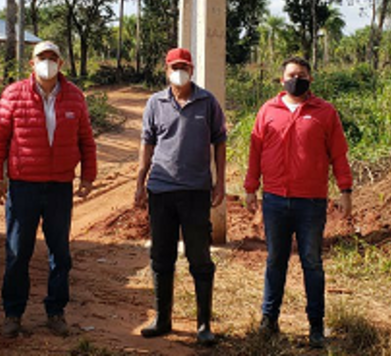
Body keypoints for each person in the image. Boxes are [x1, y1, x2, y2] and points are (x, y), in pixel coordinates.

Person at [0, 40, 97, 339]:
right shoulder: (13, 95)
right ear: (31, 64)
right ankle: (13, 314)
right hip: (23, 187)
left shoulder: (75, 97)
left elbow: (86, 139)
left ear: (60, 63)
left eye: (52, 57)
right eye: (41, 57)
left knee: (60, 254)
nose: (47, 62)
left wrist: (88, 176)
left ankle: (56, 312)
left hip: (60, 186)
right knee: (18, 253)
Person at [244, 56, 353, 349]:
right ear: (282, 80)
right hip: (275, 201)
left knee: (312, 263)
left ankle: (316, 327)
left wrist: (345, 191)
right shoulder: (268, 111)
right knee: (275, 261)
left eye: (302, 75)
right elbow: (255, 151)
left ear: (310, 80)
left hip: (311, 204)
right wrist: (250, 188)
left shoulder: (325, 112)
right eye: (291, 74)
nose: (296, 79)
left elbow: (339, 154)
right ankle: (269, 321)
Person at [134, 47, 227, 346]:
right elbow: (147, 144)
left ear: (193, 69)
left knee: (199, 257)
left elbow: (220, 142)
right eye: (175, 66)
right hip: (160, 190)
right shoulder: (155, 103)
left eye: (184, 66)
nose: (179, 71)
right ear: (166, 70)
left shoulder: (207, 102)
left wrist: (220, 182)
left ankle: (203, 325)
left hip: (196, 191)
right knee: (161, 256)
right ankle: (162, 319)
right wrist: (139, 182)